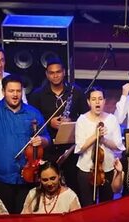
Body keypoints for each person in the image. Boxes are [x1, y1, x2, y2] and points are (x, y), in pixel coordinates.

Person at [0, 52, 49, 214]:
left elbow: (47, 138)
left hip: (27, 178)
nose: (15, 94)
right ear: (3, 91)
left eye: (18, 91)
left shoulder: (33, 113)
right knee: (1, 219)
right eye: (11, 91)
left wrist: (42, 141)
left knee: (23, 220)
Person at [28, 57, 88, 192]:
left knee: (73, 185)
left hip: (71, 148)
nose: (55, 75)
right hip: (48, 148)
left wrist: (71, 121)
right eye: (51, 73)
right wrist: (50, 122)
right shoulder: (37, 95)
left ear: (64, 72)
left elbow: (86, 118)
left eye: (58, 72)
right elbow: (32, 120)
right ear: (47, 74)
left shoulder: (76, 92)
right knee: (49, 186)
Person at [74, 86, 125, 207]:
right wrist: (95, 136)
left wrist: (104, 140)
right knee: (87, 206)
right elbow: (79, 148)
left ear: (104, 101)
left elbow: (118, 146)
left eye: (100, 99)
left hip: (107, 169)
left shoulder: (112, 119)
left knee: (106, 206)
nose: (97, 102)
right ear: (88, 102)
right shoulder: (82, 120)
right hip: (86, 169)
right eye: (94, 99)